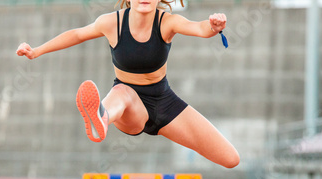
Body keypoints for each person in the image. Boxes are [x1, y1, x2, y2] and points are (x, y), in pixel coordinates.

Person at [16, 0, 240, 169]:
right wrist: (36, 51)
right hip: (127, 107)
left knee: (230, 159)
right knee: (123, 91)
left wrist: (215, 26)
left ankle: (102, 116)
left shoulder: (167, 22)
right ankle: (101, 117)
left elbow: (200, 29)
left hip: (164, 102)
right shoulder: (112, 22)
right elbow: (77, 34)